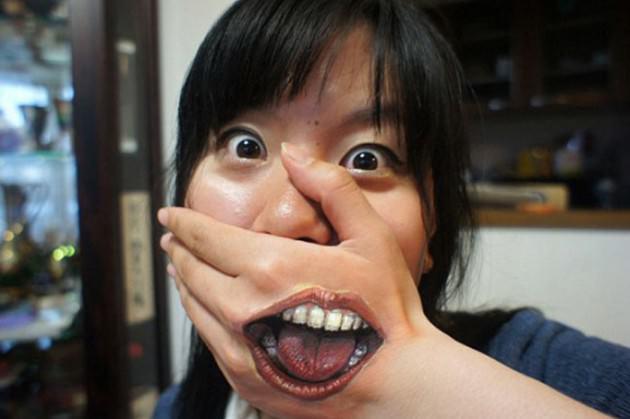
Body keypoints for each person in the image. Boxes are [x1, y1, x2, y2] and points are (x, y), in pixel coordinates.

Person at [154, 0, 630, 417]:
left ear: (432, 220)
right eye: (245, 145)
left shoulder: (538, 371)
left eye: (367, 158)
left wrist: (409, 380)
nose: (291, 220)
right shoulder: (177, 410)